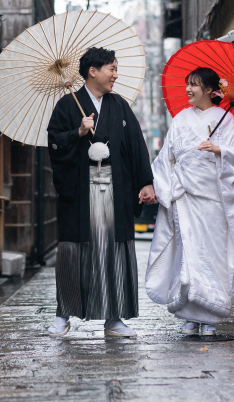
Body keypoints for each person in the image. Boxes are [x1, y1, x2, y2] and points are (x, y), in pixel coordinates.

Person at [47, 47, 156, 338]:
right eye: (111, 68)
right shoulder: (67, 106)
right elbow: (54, 145)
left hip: (114, 188)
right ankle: (64, 314)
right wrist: (77, 134)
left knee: (114, 252)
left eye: (116, 68)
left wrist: (146, 182)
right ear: (92, 71)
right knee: (74, 253)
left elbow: (136, 145)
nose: (115, 74)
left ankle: (114, 317)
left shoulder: (119, 106)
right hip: (81, 191)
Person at [145, 67, 234, 336]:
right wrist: (162, 188)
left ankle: (211, 315)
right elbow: (165, 158)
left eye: (195, 85)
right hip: (184, 197)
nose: (189, 89)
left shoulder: (226, 122)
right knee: (186, 253)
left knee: (210, 254)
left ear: (211, 91)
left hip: (212, 199)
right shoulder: (180, 119)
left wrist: (219, 149)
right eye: (188, 84)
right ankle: (188, 313)